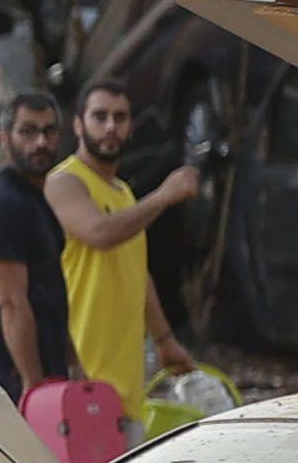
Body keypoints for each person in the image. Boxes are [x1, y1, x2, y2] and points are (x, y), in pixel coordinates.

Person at [44, 78, 207, 428]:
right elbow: (99, 233)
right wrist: (164, 195)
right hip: (81, 384)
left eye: (119, 118)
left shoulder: (123, 193)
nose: (110, 127)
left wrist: (165, 340)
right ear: (78, 124)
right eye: (99, 116)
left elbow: (137, 270)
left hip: (126, 391)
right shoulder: (64, 182)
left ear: (130, 127)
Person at [0, 84, 85, 406]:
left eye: (48, 131)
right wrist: (32, 383)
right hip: (5, 376)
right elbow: (12, 302)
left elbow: (48, 293)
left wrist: (72, 362)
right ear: (4, 137)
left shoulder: (36, 198)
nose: (40, 142)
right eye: (27, 132)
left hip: (39, 370)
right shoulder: (4, 204)